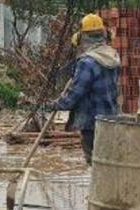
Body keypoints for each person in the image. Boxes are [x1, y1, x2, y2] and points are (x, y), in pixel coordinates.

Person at [49, 13, 120, 165]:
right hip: (111, 119)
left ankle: (98, 189)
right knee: (107, 162)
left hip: (92, 122)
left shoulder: (87, 62)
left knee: (94, 163)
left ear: (83, 37)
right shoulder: (113, 56)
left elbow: (75, 94)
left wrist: (56, 104)